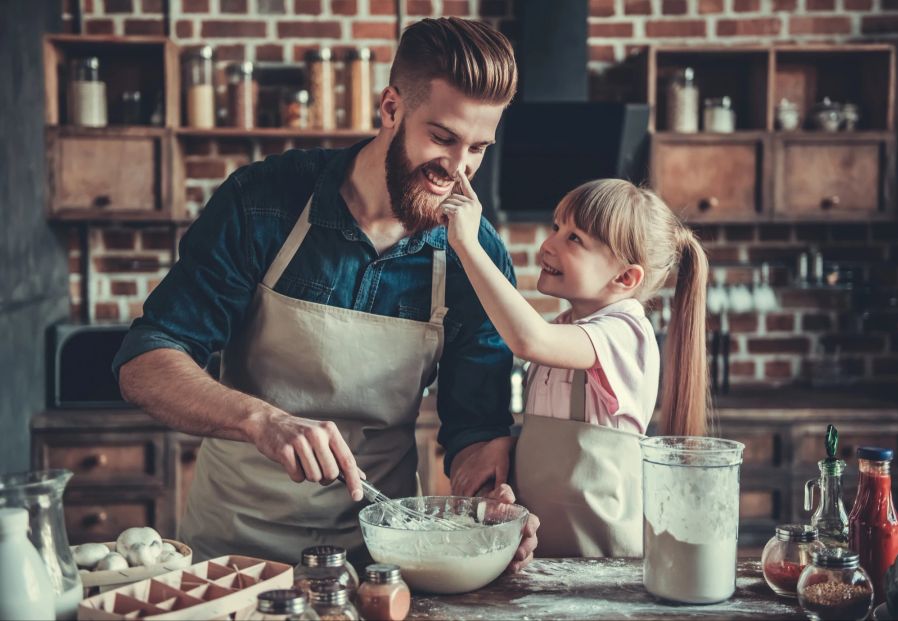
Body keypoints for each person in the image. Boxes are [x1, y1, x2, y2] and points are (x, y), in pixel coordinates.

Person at [113, 17, 539, 569]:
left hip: (377, 558)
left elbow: (475, 430)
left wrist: (490, 507)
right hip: (233, 551)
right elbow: (144, 362)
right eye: (442, 138)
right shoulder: (263, 202)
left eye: (478, 148)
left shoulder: (475, 258)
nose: (458, 172)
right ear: (391, 109)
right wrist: (264, 422)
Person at [443, 177, 709, 557]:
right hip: (545, 559)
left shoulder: (624, 332)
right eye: (556, 227)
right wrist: (512, 446)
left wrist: (467, 245)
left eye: (575, 239)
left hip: (605, 565)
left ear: (625, 278)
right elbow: (562, 442)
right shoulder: (565, 331)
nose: (548, 244)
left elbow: (527, 340)